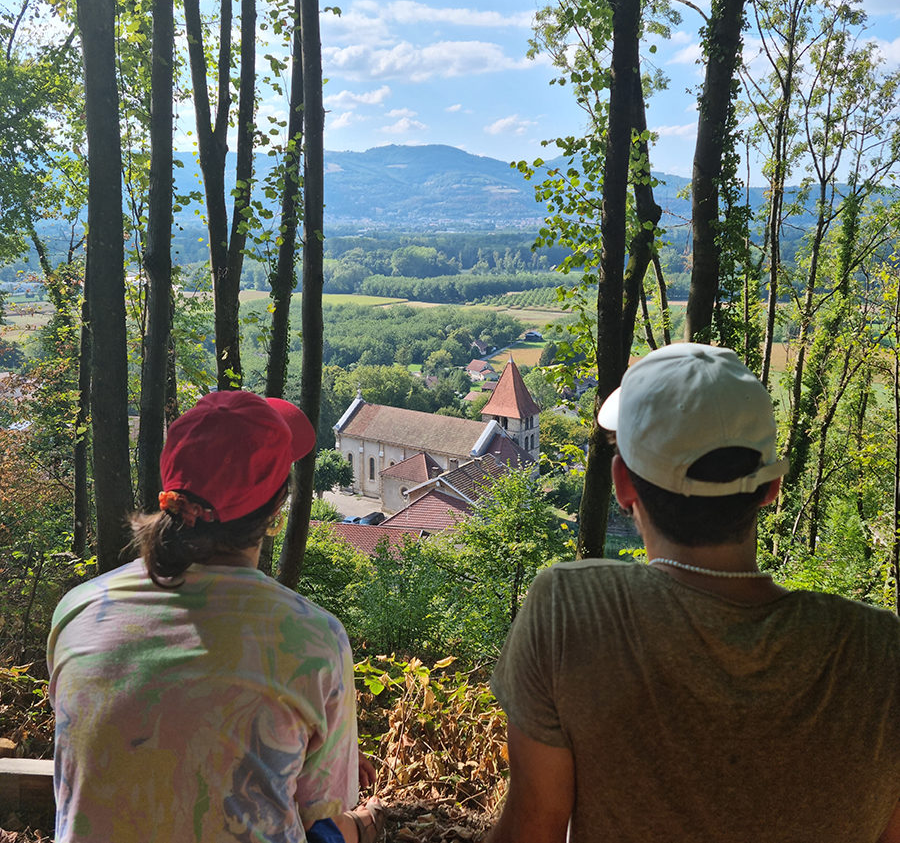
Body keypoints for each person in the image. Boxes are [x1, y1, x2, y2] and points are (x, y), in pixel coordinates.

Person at [487, 342, 900, 843]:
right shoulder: (881, 650)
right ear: (771, 489)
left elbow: (532, 828)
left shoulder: (570, 611)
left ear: (622, 485)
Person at [47, 390, 384, 843]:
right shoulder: (313, 641)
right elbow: (317, 819)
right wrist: (362, 823)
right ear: (276, 510)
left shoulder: (79, 611)